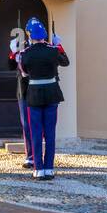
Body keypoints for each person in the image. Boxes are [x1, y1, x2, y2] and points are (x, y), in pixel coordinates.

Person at [21, 17, 70, 179]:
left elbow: (25, 73)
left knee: (36, 132)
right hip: (52, 93)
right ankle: (49, 168)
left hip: (34, 94)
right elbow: (65, 62)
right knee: (50, 132)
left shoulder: (25, 54)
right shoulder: (53, 50)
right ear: (44, 35)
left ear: (30, 36)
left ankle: (39, 169)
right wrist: (58, 46)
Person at [9, 36, 34, 168]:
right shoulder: (20, 48)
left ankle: (39, 156)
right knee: (26, 125)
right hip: (22, 91)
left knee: (37, 125)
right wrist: (13, 53)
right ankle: (30, 156)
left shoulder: (40, 47)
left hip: (36, 91)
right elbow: (10, 66)